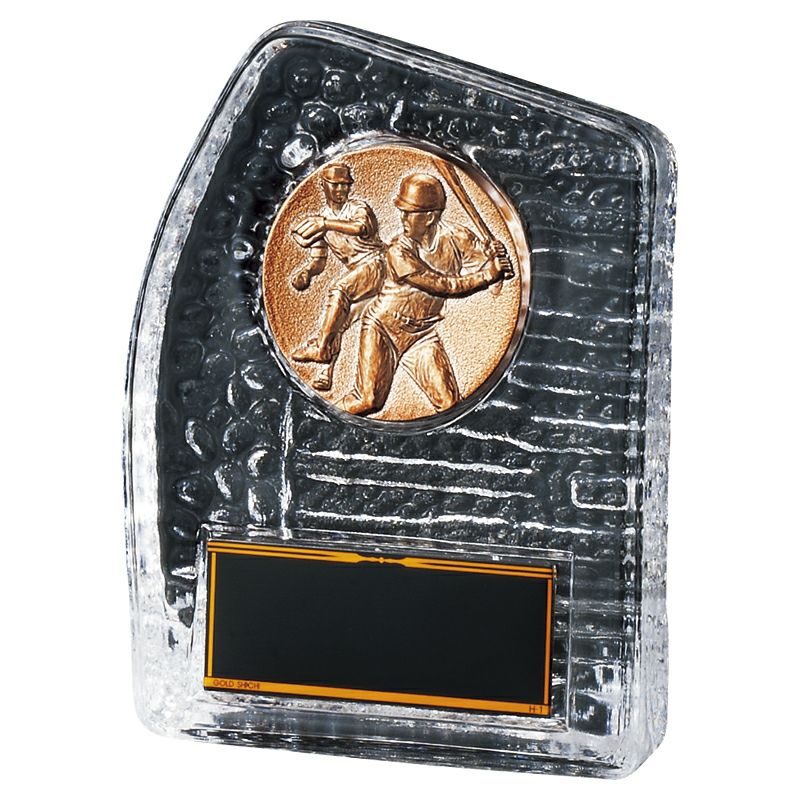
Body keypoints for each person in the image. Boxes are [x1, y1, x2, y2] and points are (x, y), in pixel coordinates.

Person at [339, 173, 513, 416]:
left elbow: (496, 287)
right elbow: (441, 285)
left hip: (422, 334)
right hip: (384, 329)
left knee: (450, 405)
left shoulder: (459, 238)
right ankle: (323, 416)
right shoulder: (398, 250)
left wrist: (496, 261)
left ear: (430, 216)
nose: (402, 218)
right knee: (369, 402)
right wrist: (487, 274)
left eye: (409, 212)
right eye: (402, 211)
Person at [290, 162, 385, 391]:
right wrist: (307, 272)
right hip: (360, 275)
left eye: (345, 185)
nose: (342, 190)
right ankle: (325, 373)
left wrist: (325, 224)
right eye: (336, 185)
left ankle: (320, 348)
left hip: (379, 265)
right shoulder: (321, 220)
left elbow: (360, 228)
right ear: (324, 185)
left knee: (339, 290)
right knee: (338, 323)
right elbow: (319, 260)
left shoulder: (357, 208)